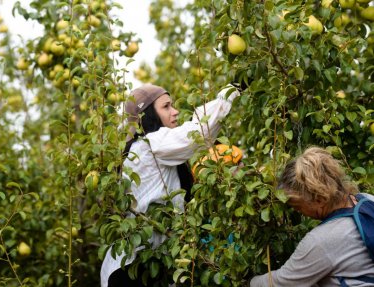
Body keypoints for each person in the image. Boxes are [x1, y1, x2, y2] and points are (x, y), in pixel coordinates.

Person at [100, 83, 240, 287]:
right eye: (166, 107)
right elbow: (200, 131)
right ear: (147, 115)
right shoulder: (149, 146)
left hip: (149, 265)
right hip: (132, 270)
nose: (175, 112)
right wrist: (232, 89)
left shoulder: (144, 149)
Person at [250, 147, 374, 287]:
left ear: (320, 199)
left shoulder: (322, 240)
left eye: (297, 206)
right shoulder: (368, 199)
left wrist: (250, 282)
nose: (297, 211)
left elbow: (283, 283)